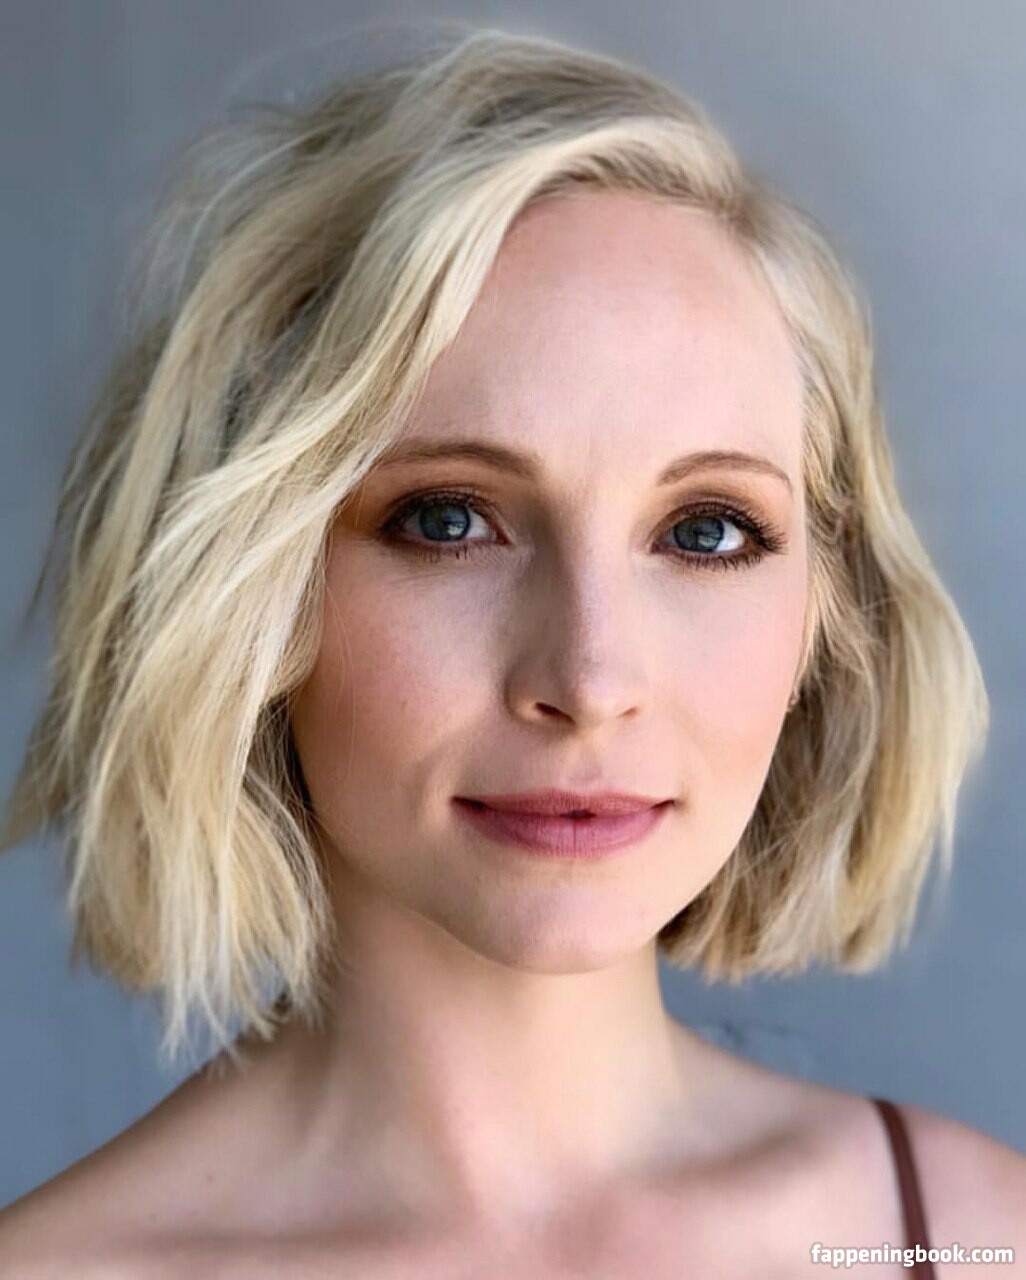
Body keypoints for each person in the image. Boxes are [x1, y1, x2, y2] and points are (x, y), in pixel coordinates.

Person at [0, 24, 1022, 1278]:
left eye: (706, 531)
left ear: (828, 611)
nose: (590, 680)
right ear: (248, 587)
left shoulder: (975, 1239)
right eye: (447, 520)